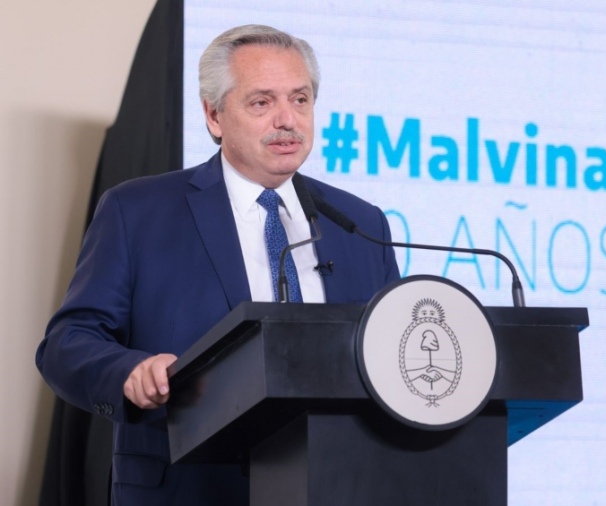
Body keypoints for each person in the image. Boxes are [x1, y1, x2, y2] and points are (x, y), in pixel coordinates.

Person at [36, 24, 400, 505]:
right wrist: (130, 371)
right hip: (186, 490)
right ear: (213, 116)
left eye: (300, 99)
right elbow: (66, 344)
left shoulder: (360, 223)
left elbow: (390, 355)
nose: (287, 119)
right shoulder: (138, 211)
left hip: (333, 487)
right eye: (262, 102)